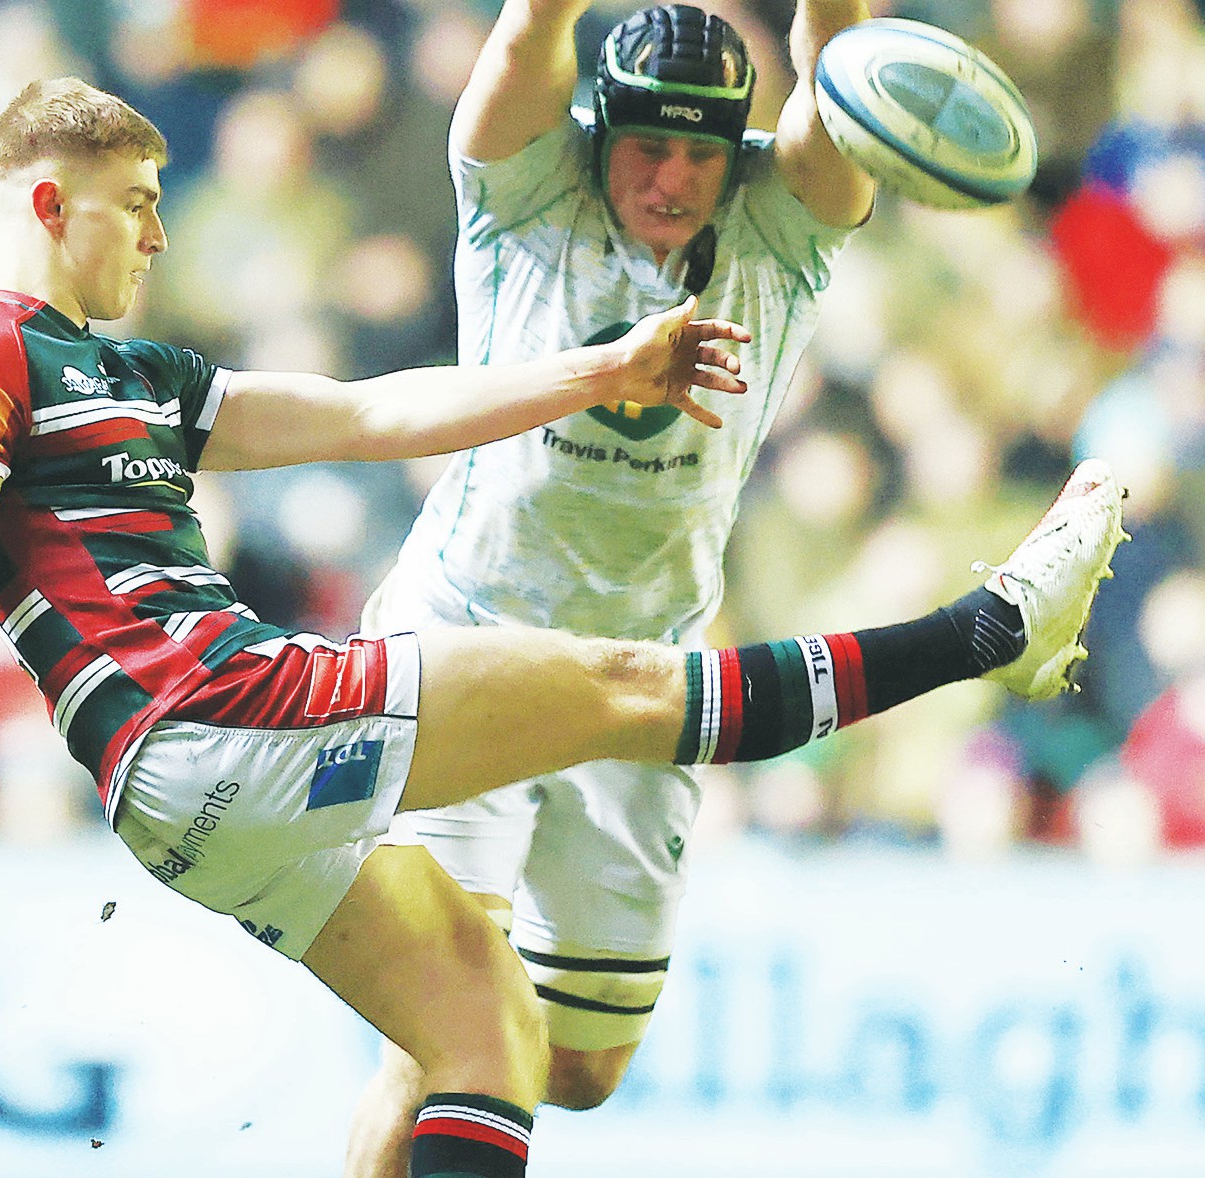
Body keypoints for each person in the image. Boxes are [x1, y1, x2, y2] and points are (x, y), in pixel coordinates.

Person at [0, 78, 1125, 1178]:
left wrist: (596, 370)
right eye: (136, 206)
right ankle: (991, 629)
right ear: (46, 204)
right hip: (225, 709)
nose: (158, 237)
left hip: (184, 797)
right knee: (626, 686)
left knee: (486, 1033)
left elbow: (370, 414)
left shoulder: (135, 372)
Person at [341, 2, 1080, 1173]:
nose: (672, 177)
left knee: (579, 1068)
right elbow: (528, 36)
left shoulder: (778, 223)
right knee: (446, 1030)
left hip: (643, 681)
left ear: (738, 149)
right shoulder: (528, 186)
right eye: (647, 145)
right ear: (598, 130)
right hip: (464, 638)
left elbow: (835, 71)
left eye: (700, 151)